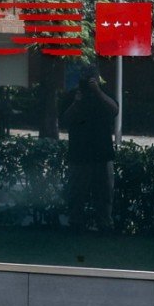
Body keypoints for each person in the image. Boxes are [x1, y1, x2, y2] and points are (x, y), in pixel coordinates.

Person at [64, 72, 119, 231]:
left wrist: (98, 92)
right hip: (79, 153)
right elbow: (65, 119)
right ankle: (76, 223)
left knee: (105, 193)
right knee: (77, 193)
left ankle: (104, 224)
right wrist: (76, 103)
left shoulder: (104, 93)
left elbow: (115, 110)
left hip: (102, 152)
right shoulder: (73, 95)